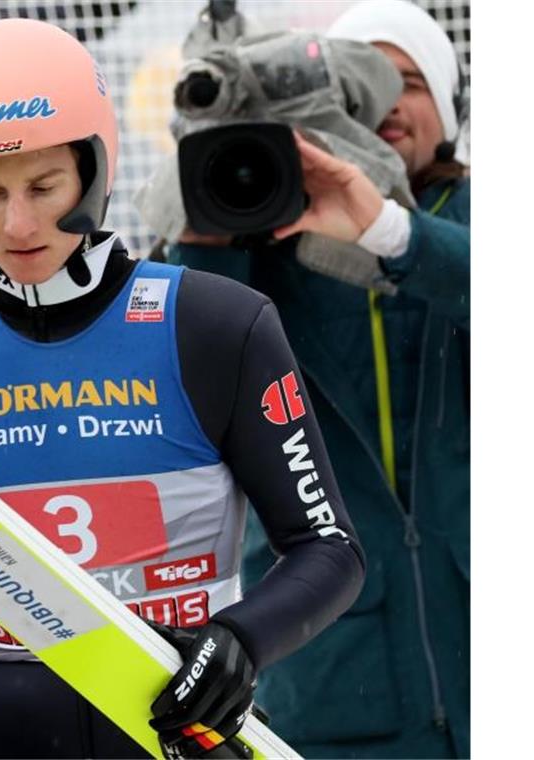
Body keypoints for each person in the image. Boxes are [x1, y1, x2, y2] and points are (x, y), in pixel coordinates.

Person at [0, 17, 365, 759]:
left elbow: (329, 549)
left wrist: (239, 642)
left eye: (45, 185)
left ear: (96, 166)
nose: (18, 223)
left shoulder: (214, 325)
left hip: (183, 725)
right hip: (12, 729)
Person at [169, 1, 470, 757]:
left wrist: (388, 231)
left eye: (410, 80)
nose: (389, 102)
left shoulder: (478, 222)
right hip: (337, 677)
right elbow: (192, 386)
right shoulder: (259, 246)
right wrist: (210, 230)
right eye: (357, 83)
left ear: (451, 103)